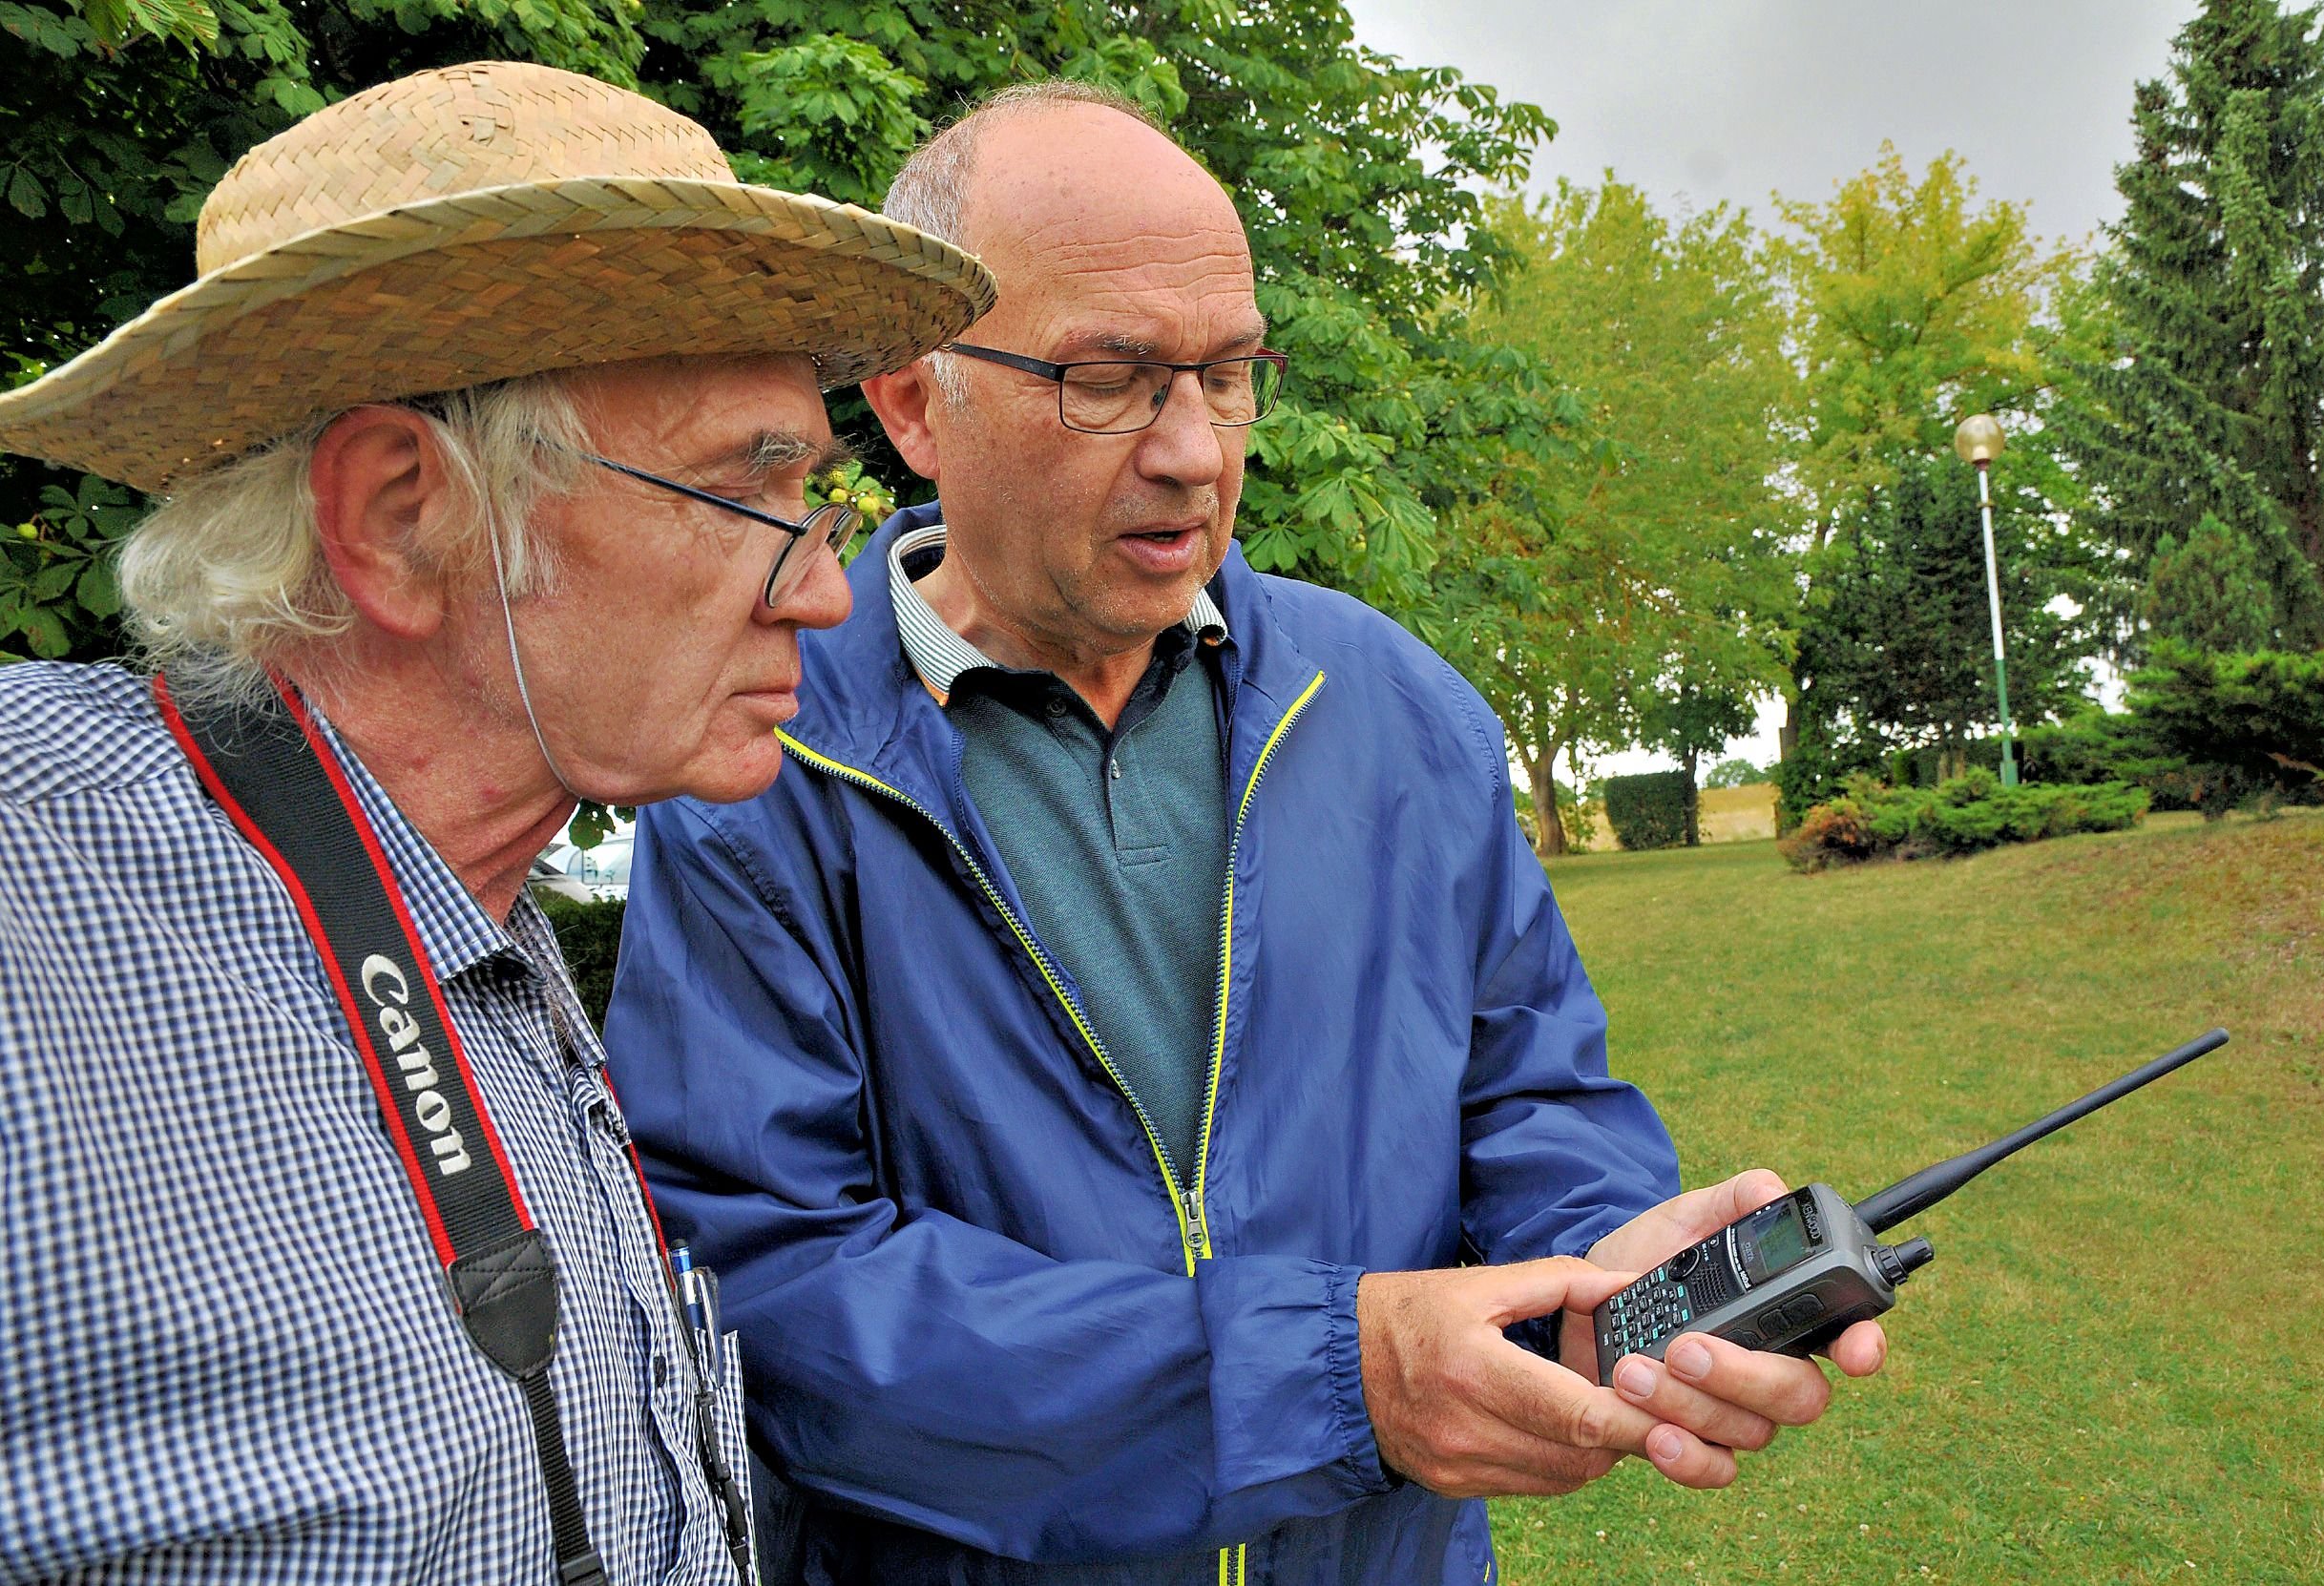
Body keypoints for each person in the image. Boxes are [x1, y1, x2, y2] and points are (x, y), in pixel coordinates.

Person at [604, 83, 1884, 1586]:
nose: (1194, 451)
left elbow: (1529, 1091)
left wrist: (1604, 1260)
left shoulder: (1398, 708)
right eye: (1109, 377)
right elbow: (771, 1295)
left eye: (1226, 373)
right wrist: (1327, 1378)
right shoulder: (765, 754)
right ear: (908, 401)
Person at [0, 61, 991, 1585]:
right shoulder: (35, 888)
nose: (824, 588)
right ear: (406, 514)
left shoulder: (483, 930)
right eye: (755, 486)